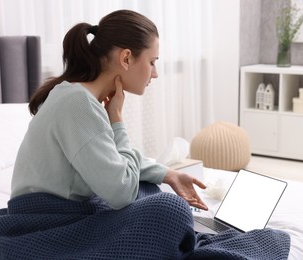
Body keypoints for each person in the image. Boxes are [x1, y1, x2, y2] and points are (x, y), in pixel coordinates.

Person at [11, 9, 208, 211]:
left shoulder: (78, 96)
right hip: (42, 220)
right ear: (126, 58)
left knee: (150, 190)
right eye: (152, 62)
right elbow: (123, 193)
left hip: (56, 212)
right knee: (169, 208)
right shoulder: (78, 103)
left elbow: (111, 158)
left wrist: (168, 174)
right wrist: (117, 120)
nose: (155, 74)